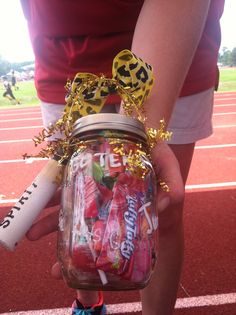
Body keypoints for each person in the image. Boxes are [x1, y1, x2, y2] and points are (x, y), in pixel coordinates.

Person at [20, 1, 225, 314]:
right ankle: (88, 304)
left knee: (158, 211)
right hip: (66, 56)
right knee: (79, 207)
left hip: (175, 41)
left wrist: (134, 144)